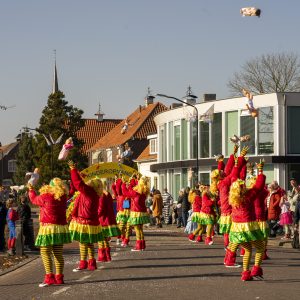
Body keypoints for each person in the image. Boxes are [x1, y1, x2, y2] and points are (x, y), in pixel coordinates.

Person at [225, 160, 266, 281]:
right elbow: (258, 186)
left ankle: (245, 273)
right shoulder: (248, 196)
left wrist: (238, 165)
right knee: (260, 247)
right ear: (242, 188)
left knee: (247, 249)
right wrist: (260, 170)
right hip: (248, 227)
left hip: (237, 228)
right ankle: (256, 269)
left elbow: (233, 179)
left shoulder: (232, 199)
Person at [28, 178, 71, 287]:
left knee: (45, 251)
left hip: (48, 228)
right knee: (58, 254)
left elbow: (33, 200)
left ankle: (49, 277)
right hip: (60, 228)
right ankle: (59, 277)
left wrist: (31, 189)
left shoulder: (46, 196)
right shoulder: (63, 197)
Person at [68, 161, 103, 272]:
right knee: (88, 243)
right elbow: (80, 183)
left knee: (83, 243)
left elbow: (78, 184)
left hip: (83, 221)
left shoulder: (88, 192)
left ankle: (83, 263)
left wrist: (73, 169)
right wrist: (78, 173)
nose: (89, 182)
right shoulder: (94, 194)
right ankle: (91, 263)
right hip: (91, 222)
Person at [122, 177, 151, 251]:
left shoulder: (135, 193)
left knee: (137, 229)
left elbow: (125, 193)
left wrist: (123, 184)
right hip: (142, 213)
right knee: (140, 229)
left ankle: (138, 246)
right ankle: (142, 245)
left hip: (135, 212)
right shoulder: (143, 193)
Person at [97, 181, 121, 262]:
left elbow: (100, 209)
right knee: (105, 240)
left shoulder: (101, 195)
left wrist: (94, 215)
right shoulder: (108, 194)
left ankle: (102, 256)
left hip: (102, 220)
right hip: (108, 220)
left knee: (101, 240)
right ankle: (107, 256)